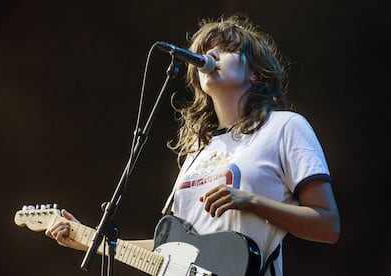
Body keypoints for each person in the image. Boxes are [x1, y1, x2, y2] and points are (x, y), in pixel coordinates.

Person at [46, 14, 340, 276]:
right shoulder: (196, 153)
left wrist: (251, 202)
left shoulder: (284, 127)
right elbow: (174, 252)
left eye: (226, 49)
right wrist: (91, 241)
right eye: (205, 50)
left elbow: (328, 226)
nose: (210, 54)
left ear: (254, 73)